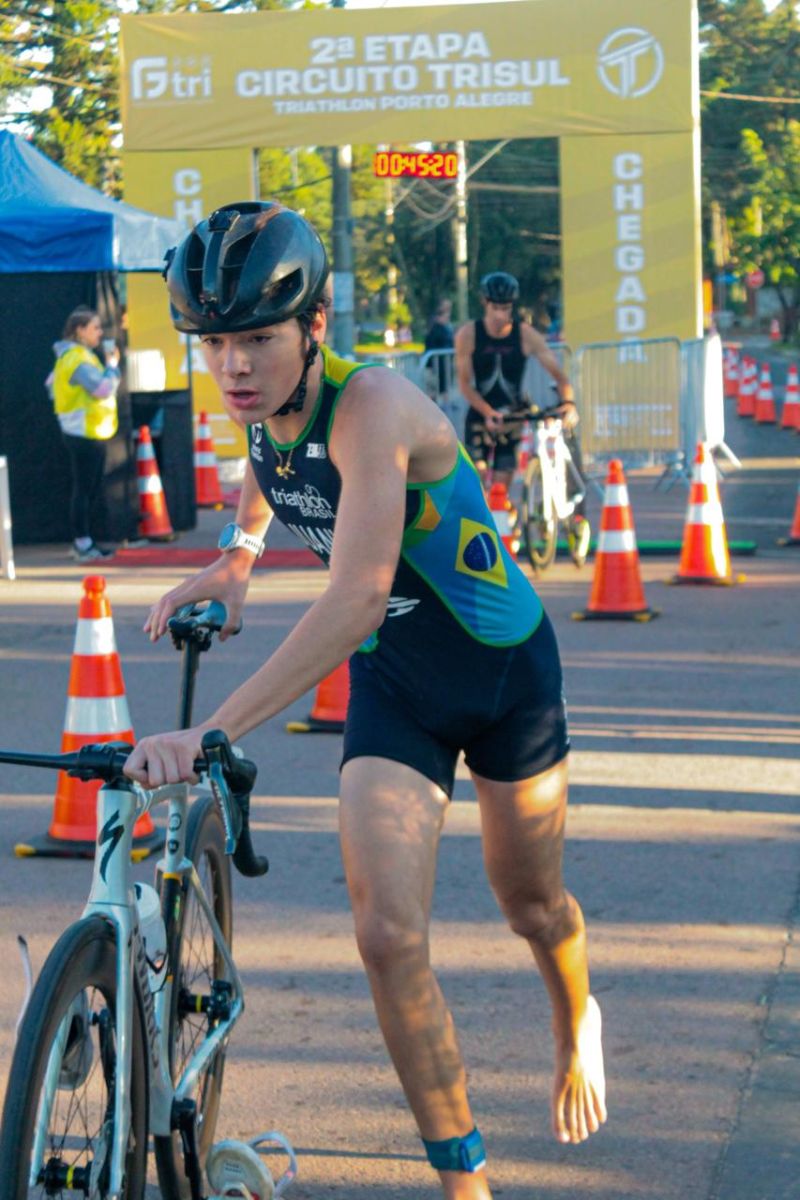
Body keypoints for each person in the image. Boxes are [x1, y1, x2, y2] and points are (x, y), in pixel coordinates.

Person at [125, 202, 607, 1198]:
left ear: (314, 323)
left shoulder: (376, 404)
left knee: (530, 904)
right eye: (215, 345)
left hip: (505, 672)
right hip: (398, 684)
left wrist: (210, 730)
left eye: (257, 338)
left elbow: (351, 597)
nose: (236, 367)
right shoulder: (267, 412)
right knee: (385, 937)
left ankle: (576, 1014)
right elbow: (274, 470)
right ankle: (464, 1182)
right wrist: (240, 556)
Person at [454, 273, 589, 558]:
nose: (501, 314)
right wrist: (487, 412)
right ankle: (503, 520)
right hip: (481, 414)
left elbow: (560, 376)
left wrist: (569, 402)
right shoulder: (469, 334)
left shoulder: (526, 335)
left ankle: (508, 523)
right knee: (477, 481)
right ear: (485, 304)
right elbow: (464, 384)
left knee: (501, 483)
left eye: (507, 308)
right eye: (496, 307)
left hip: (513, 416)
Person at [49, 306, 120, 562]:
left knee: (85, 489)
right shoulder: (77, 359)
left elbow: (51, 386)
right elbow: (102, 389)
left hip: (84, 431)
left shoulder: (72, 357)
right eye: (95, 328)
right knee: (83, 490)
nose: (100, 333)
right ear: (80, 330)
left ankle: (84, 541)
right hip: (84, 434)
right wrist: (113, 367)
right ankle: (82, 544)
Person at [424, 298, 455, 401]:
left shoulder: (446, 328)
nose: (447, 318)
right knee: (434, 390)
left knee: (442, 388)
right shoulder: (435, 329)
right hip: (435, 366)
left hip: (443, 365)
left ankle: (445, 404)